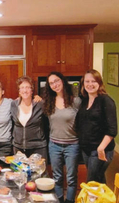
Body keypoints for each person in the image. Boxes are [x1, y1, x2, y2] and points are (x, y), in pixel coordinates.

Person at [43, 72, 81, 203]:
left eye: (57, 81)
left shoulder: (75, 100)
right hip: (54, 145)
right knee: (57, 177)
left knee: (71, 178)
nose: (55, 85)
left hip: (72, 145)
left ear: (63, 81)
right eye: (51, 83)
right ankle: (58, 200)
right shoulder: (48, 102)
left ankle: (69, 201)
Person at [76, 69, 117, 183]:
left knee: (91, 182)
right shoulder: (84, 100)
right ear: (83, 84)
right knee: (98, 179)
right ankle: (104, 199)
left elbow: (112, 129)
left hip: (100, 149)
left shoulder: (106, 101)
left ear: (99, 83)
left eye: (93, 81)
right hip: (86, 149)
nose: (90, 84)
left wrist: (101, 148)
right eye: (87, 81)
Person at [11, 76, 48, 161]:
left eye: (28, 87)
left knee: (38, 173)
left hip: (38, 147)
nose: (25, 90)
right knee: (20, 173)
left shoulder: (40, 104)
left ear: (32, 90)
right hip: (18, 148)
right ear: (19, 91)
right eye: (22, 88)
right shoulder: (13, 104)